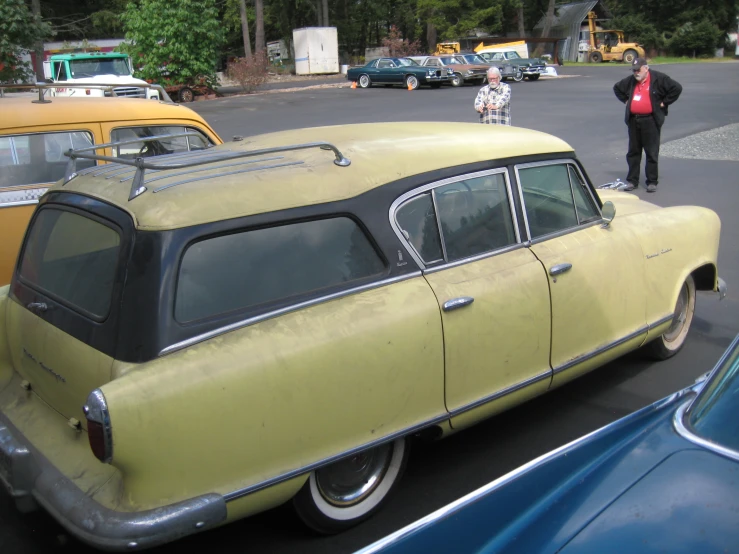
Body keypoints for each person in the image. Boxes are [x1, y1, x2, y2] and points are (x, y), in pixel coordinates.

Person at [613, 57, 682, 193]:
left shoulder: (659, 78)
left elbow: (677, 88)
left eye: (638, 70)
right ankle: (632, 180)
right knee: (633, 152)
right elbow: (617, 88)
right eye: (634, 70)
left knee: (651, 152)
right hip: (634, 120)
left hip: (650, 120)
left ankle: (651, 181)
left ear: (646, 68)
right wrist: (626, 101)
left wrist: (664, 102)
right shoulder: (631, 80)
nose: (636, 73)